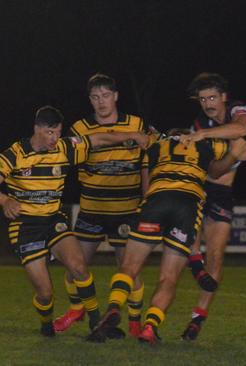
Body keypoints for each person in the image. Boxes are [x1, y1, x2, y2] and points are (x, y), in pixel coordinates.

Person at [0, 105, 148, 337]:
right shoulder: (16, 153)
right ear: (36, 128)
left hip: (54, 221)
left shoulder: (65, 148)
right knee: (45, 293)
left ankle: (96, 324)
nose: (54, 138)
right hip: (25, 226)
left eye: (58, 132)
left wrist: (133, 134)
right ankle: (46, 324)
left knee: (79, 266)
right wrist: (5, 199)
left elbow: (97, 138)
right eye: (49, 132)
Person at [86, 128, 232, 344]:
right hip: (187, 204)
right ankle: (150, 326)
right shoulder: (207, 144)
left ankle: (115, 306)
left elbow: (139, 142)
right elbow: (230, 147)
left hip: (157, 199)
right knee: (169, 277)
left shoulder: (156, 144)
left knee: (129, 267)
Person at [53, 73, 148, 337]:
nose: (101, 102)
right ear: (90, 100)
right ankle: (76, 309)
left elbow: (145, 166)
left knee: (129, 269)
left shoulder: (138, 124)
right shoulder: (80, 128)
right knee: (75, 267)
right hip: (92, 210)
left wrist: (148, 199)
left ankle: (134, 322)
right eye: (95, 97)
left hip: (126, 211)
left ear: (116, 96)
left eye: (106, 95)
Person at [176, 72, 246, 341]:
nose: (208, 103)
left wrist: (204, 135)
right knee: (188, 226)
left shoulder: (236, 110)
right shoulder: (200, 122)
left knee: (217, 257)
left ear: (223, 97)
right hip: (202, 184)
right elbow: (211, 168)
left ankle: (198, 317)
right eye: (202, 99)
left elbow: (241, 129)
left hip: (222, 193)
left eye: (212, 97)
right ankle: (194, 262)